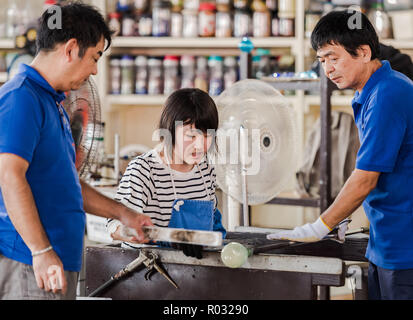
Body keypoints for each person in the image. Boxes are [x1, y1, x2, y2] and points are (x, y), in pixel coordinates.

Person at [0, 3, 153, 300]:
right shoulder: (21, 98)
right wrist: (41, 251)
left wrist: (124, 214)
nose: (95, 69)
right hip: (30, 265)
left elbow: (66, 185)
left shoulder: (51, 102)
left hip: (52, 263)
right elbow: (9, 176)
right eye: (95, 57)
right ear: (71, 49)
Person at [266, 10, 413, 300]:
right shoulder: (369, 92)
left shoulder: (388, 93)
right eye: (322, 61)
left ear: (363, 52)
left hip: (404, 245)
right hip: (385, 238)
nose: (328, 69)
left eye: (334, 58)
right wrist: (342, 215)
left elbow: (366, 178)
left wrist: (321, 225)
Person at [107, 88, 226, 259]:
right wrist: (176, 238)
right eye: (191, 136)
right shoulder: (144, 170)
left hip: (193, 270)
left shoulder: (205, 170)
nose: (200, 146)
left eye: (207, 135)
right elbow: (116, 228)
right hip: (146, 272)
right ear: (169, 131)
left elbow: (211, 224)